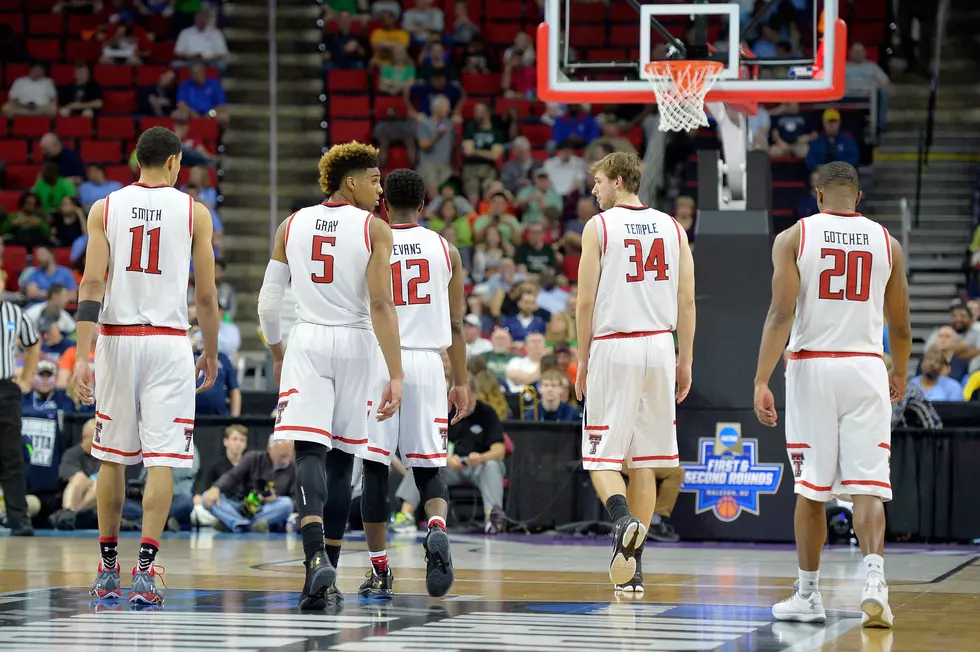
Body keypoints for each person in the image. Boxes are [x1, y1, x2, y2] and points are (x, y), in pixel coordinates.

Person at [753, 161, 911, 628]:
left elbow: (781, 315)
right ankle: (876, 582)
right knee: (867, 487)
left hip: (813, 368)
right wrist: (898, 371)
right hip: (866, 367)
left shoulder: (795, 237)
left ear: (817, 195)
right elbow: (900, 326)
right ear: (858, 198)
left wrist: (761, 379)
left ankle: (808, 595)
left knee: (812, 488)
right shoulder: (889, 243)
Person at [77, 126, 221, 606]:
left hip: (117, 340)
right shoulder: (194, 213)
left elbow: (92, 282)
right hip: (167, 341)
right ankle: (145, 570)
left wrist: (81, 354)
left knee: (112, 456)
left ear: (137, 159)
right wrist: (212, 350)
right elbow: (205, 294)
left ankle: (108, 567)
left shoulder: (106, 208)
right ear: (177, 162)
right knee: (162, 458)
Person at [256, 142, 403, 611]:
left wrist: (278, 351)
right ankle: (329, 575)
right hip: (357, 342)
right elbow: (381, 304)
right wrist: (395, 373)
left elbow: (267, 302)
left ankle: (314, 561)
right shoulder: (376, 229)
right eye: (376, 180)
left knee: (308, 452)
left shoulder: (290, 224)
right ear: (352, 181)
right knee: (342, 461)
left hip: (308, 340)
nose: (381, 189)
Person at [574, 152, 695, 594]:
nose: (594, 190)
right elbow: (687, 302)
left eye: (599, 182)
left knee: (601, 457)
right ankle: (634, 566)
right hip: (661, 346)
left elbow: (585, 302)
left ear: (619, 181)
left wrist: (583, 358)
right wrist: (686, 359)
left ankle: (622, 519)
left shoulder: (599, 227)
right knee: (645, 462)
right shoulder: (673, 227)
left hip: (615, 345)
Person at [356, 168, 470, 599]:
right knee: (429, 468)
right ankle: (436, 526)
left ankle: (380, 569)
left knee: (373, 470)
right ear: (424, 205)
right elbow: (457, 323)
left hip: (381, 361)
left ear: (384, 203)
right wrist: (459, 381)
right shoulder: (447, 250)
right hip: (426, 363)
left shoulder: (370, 239)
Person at [0, 299, 41, 536]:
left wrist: (26, 379)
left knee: (12, 455)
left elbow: (33, 344)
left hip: (6, 389)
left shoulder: (14, 313)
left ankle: (19, 519)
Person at [200, 435, 296, 533]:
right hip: (240, 505)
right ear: (270, 449)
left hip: (265, 509)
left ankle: (235, 523)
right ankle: (243, 524)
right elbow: (233, 476)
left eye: (289, 455)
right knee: (206, 497)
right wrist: (216, 488)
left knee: (287, 504)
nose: (286, 460)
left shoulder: (294, 470)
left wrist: (273, 498)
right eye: (282, 456)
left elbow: (295, 500)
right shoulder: (253, 458)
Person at [192, 423, 247, 527]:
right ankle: (240, 523)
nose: (238, 443)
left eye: (242, 440)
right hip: (223, 504)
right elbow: (203, 485)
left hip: (245, 505)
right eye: (235, 439)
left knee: (284, 504)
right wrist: (199, 495)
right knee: (205, 500)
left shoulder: (250, 464)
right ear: (225, 441)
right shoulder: (215, 465)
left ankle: (230, 522)